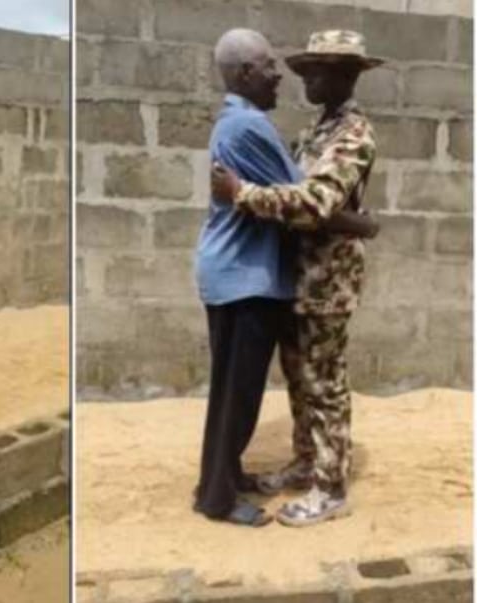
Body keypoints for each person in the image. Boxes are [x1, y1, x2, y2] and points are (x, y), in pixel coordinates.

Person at [210, 30, 383, 527]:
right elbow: (294, 191)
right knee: (299, 380)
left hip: (327, 280)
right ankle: (308, 462)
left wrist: (241, 193)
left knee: (324, 384)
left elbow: (313, 203)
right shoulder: (314, 132)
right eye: (305, 68)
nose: (306, 78)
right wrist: (359, 220)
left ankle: (330, 488)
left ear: (345, 76)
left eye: (319, 70)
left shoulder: (354, 134)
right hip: (294, 274)